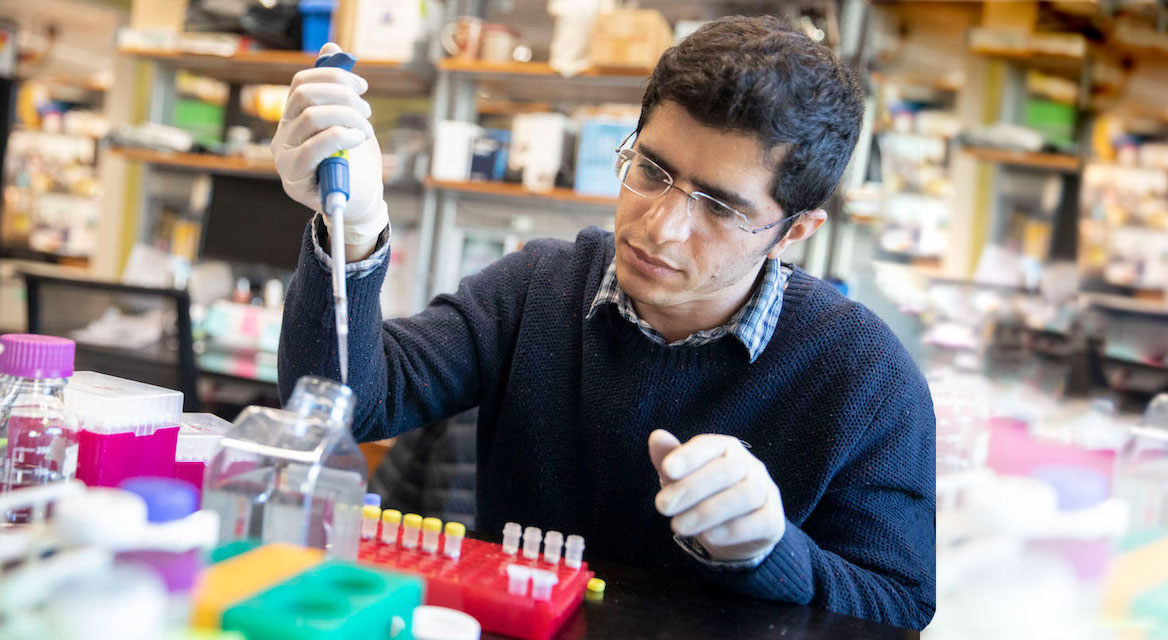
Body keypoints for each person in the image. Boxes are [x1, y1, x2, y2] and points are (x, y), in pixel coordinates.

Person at [271, 16, 935, 630]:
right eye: (651, 170)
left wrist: (770, 550)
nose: (661, 227)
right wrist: (353, 230)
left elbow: (899, 606)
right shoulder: (537, 289)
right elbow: (338, 406)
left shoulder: (865, 376)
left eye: (720, 209)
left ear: (796, 230)